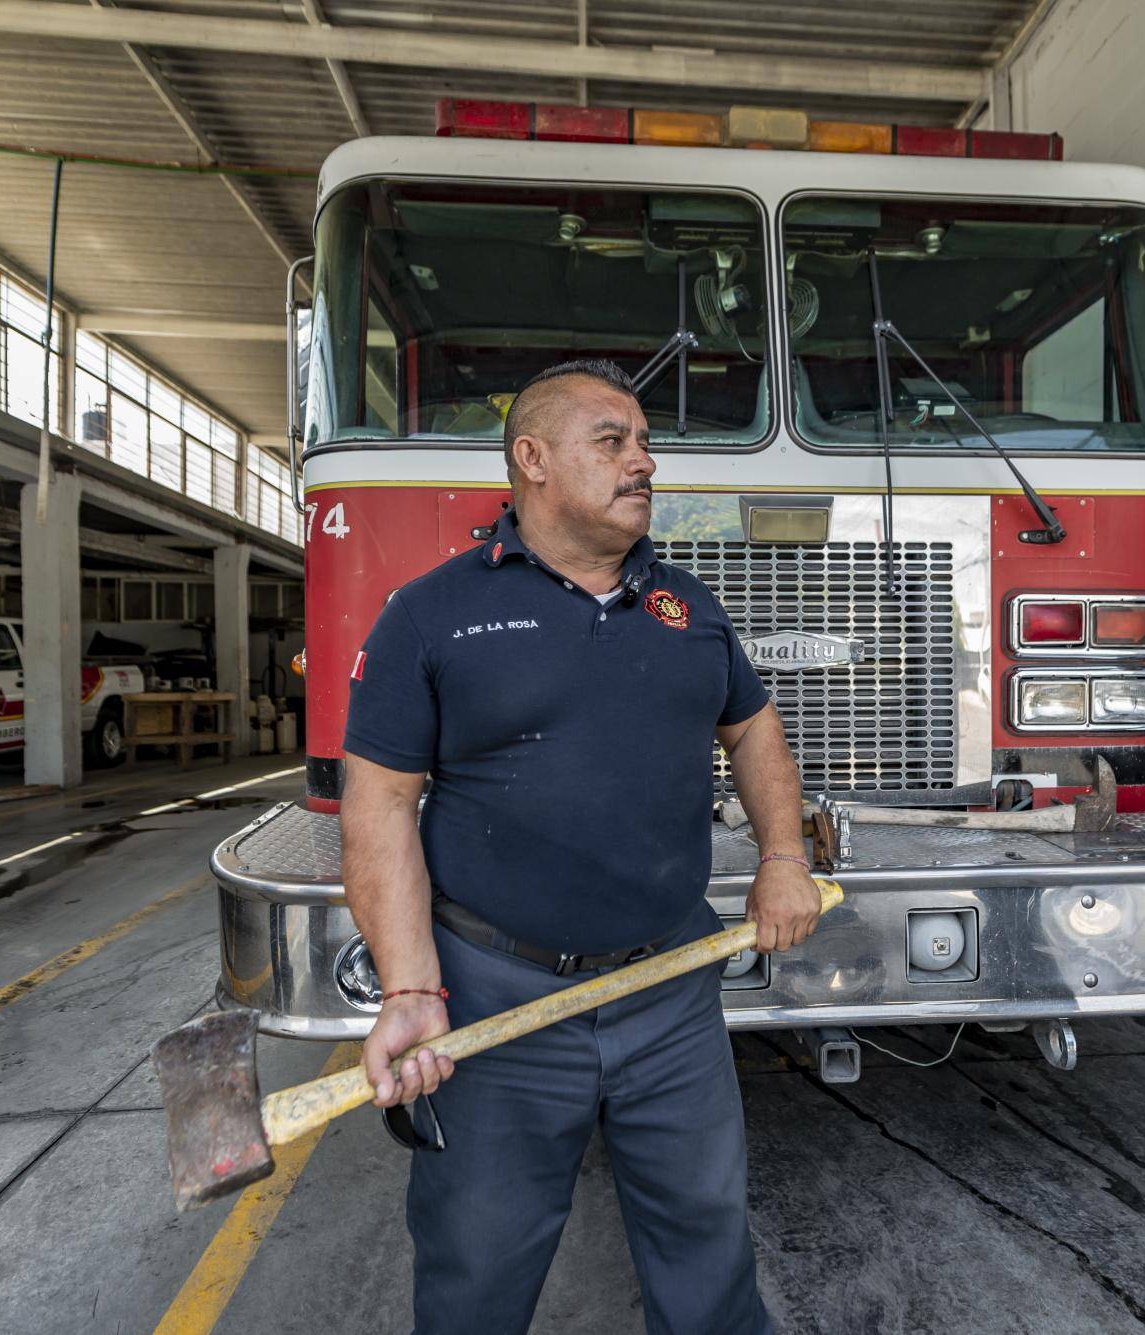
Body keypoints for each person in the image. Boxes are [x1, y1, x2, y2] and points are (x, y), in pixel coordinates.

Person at [340, 358, 819, 1335]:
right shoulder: (430, 615)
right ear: (532, 460)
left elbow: (754, 727)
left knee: (709, 1257)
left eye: (645, 444)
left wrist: (781, 858)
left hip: (670, 990)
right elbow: (378, 807)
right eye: (613, 442)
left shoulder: (687, 608)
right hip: (497, 1006)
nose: (643, 462)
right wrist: (409, 990)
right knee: (476, 1269)